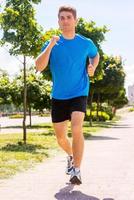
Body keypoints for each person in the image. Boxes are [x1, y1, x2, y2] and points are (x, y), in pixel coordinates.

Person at [35, 5, 99, 185]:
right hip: (59, 95)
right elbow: (39, 66)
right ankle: (71, 156)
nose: (65, 20)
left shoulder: (86, 42)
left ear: (75, 20)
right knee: (61, 137)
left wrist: (92, 66)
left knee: (77, 127)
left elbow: (95, 55)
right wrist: (50, 46)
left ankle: (76, 170)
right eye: (61, 18)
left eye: (68, 17)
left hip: (79, 92)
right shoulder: (52, 43)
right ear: (58, 21)